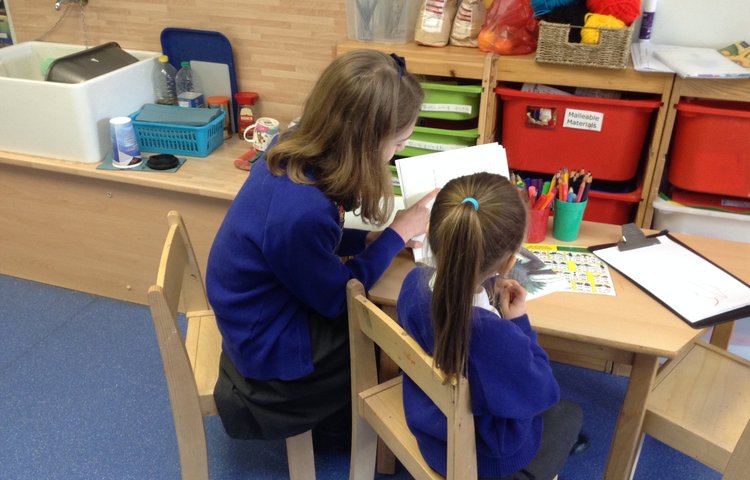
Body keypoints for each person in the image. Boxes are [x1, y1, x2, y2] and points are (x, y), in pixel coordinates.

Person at [205, 49, 437, 447]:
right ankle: (359, 431)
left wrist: (364, 240)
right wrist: (397, 233)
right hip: (267, 351)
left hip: (254, 313)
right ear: (366, 144)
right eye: (398, 143)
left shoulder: (293, 147)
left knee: (388, 317)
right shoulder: (301, 210)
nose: (397, 152)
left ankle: (339, 415)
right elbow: (338, 299)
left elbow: (302, 246)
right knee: (395, 332)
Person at [397, 172, 583, 479]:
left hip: (430, 429)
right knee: (569, 413)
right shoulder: (491, 336)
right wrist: (519, 322)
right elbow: (542, 392)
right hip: (484, 458)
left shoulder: (411, 284)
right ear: (510, 262)